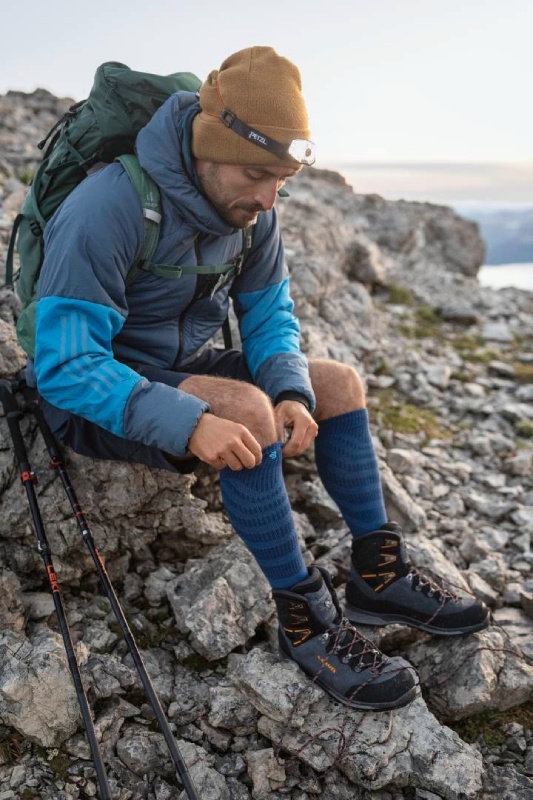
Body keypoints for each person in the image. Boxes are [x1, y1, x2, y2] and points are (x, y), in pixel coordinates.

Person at [31, 46, 489, 712]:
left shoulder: (253, 212)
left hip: (180, 366)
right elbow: (65, 365)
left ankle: (376, 574)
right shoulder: (110, 206)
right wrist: (189, 420)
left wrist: (293, 392)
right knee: (244, 408)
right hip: (95, 393)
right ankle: (304, 621)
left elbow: (271, 316)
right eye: (255, 174)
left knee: (339, 384)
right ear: (206, 150)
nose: (269, 197)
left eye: (281, 180)